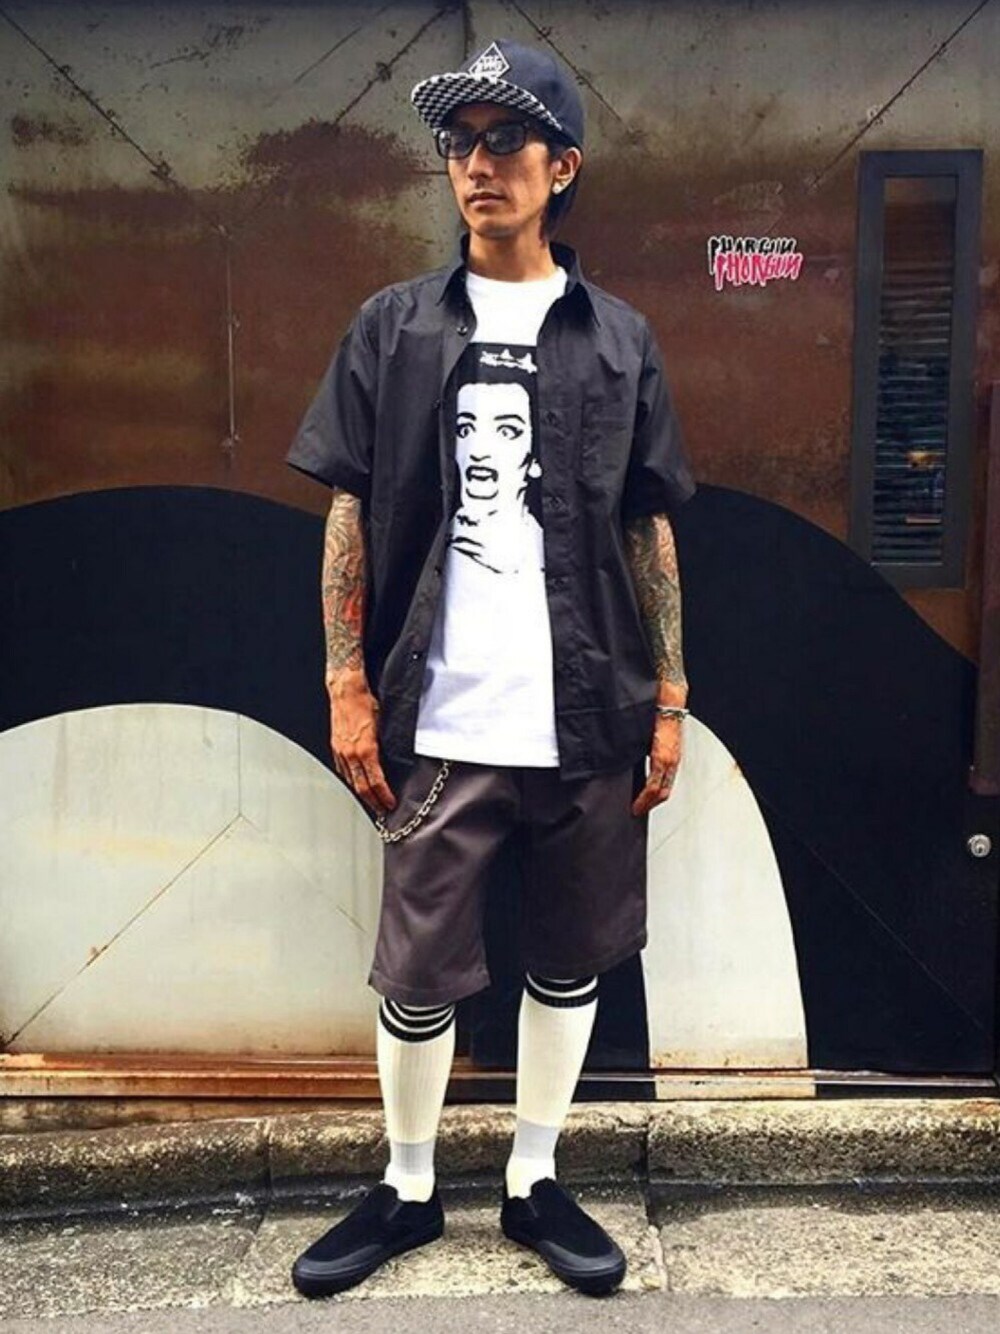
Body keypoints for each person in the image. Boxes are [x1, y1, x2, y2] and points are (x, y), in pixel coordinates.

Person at [285, 36, 695, 1300]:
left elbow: (647, 523)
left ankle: (533, 1175)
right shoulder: (393, 327)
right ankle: (408, 1185)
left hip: (587, 715)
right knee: (415, 973)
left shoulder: (620, 338)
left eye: (505, 139)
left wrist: (671, 696)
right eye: (458, 142)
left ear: (560, 167)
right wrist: (347, 682)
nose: (476, 164)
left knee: (568, 958)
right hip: (442, 720)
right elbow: (348, 509)